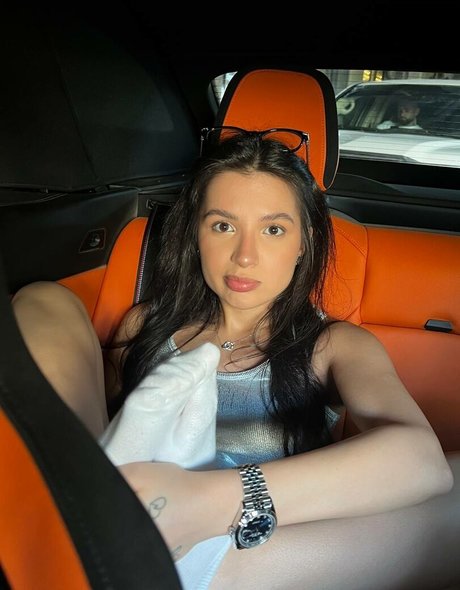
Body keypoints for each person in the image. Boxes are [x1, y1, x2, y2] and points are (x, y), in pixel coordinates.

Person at [11, 129, 459, 590]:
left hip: (253, 556)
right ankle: (84, 531)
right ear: (196, 234)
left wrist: (209, 502)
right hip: (117, 529)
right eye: (223, 226)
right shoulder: (144, 326)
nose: (245, 257)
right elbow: (105, 428)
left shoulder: (334, 345)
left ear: (303, 242)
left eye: (273, 229)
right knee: (43, 299)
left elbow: (423, 462)